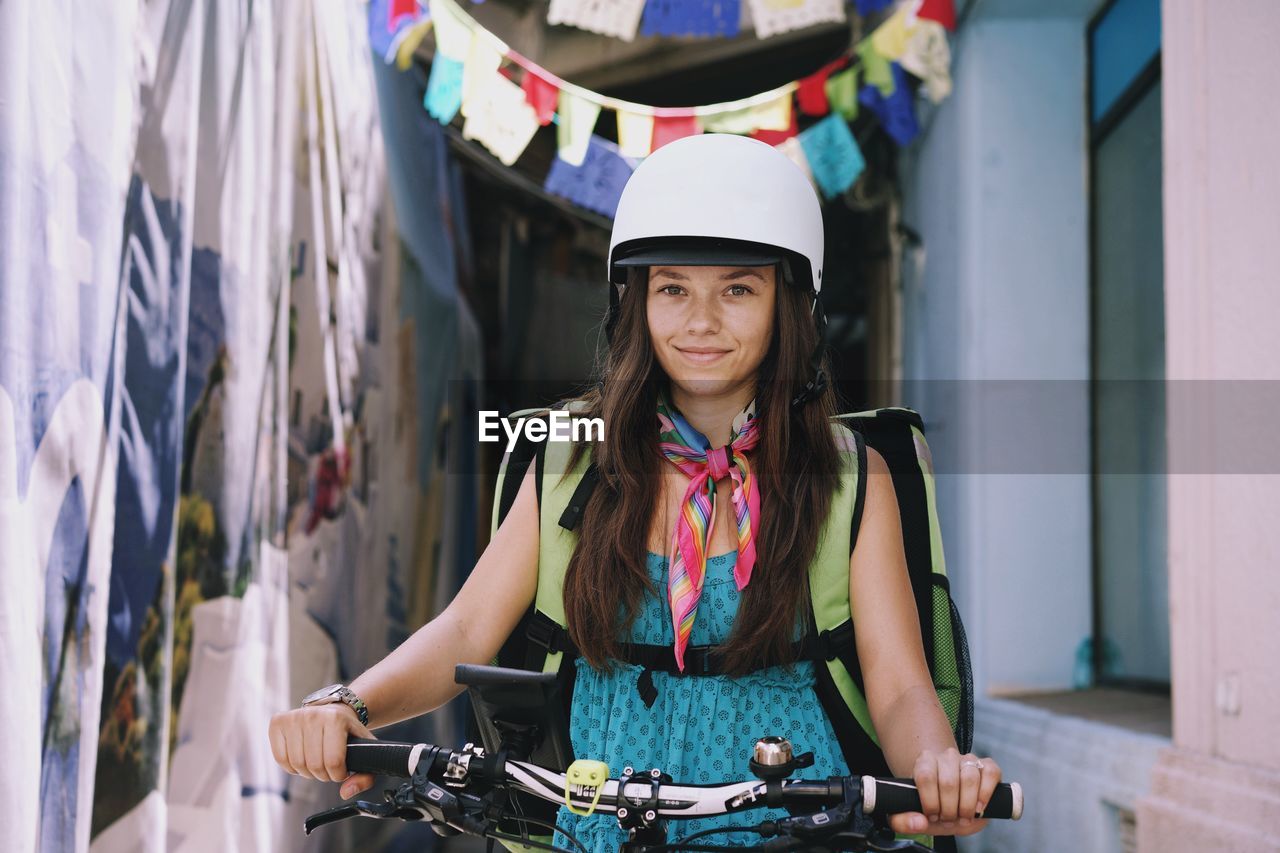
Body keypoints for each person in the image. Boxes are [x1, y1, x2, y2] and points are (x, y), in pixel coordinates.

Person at [268, 133, 1002, 850]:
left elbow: (903, 685)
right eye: (673, 288)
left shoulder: (847, 474)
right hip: (603, 828)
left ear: (790, 306)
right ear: (636, 305)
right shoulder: (574, 459)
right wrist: (346, 702)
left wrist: (937, 769)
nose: (701, 321)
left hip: (794, 832)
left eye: (737, 290)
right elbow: (465, 629)